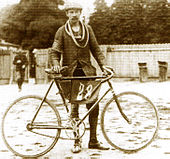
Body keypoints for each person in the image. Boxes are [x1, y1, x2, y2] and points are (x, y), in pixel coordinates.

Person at [49, 1, 109, 153]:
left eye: (76, 11)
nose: (74, 14)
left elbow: (96, 49)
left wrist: (104, 66)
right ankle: (76, 141)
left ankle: (93, 140)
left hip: (88, 73)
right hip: (70, 73)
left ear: (80, 13)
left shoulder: (88, 30)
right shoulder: (61, 31)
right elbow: (54, 52)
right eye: (71, 12)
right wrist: (56, 64)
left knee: (93, 106)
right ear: (67, 14)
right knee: (74, 107)